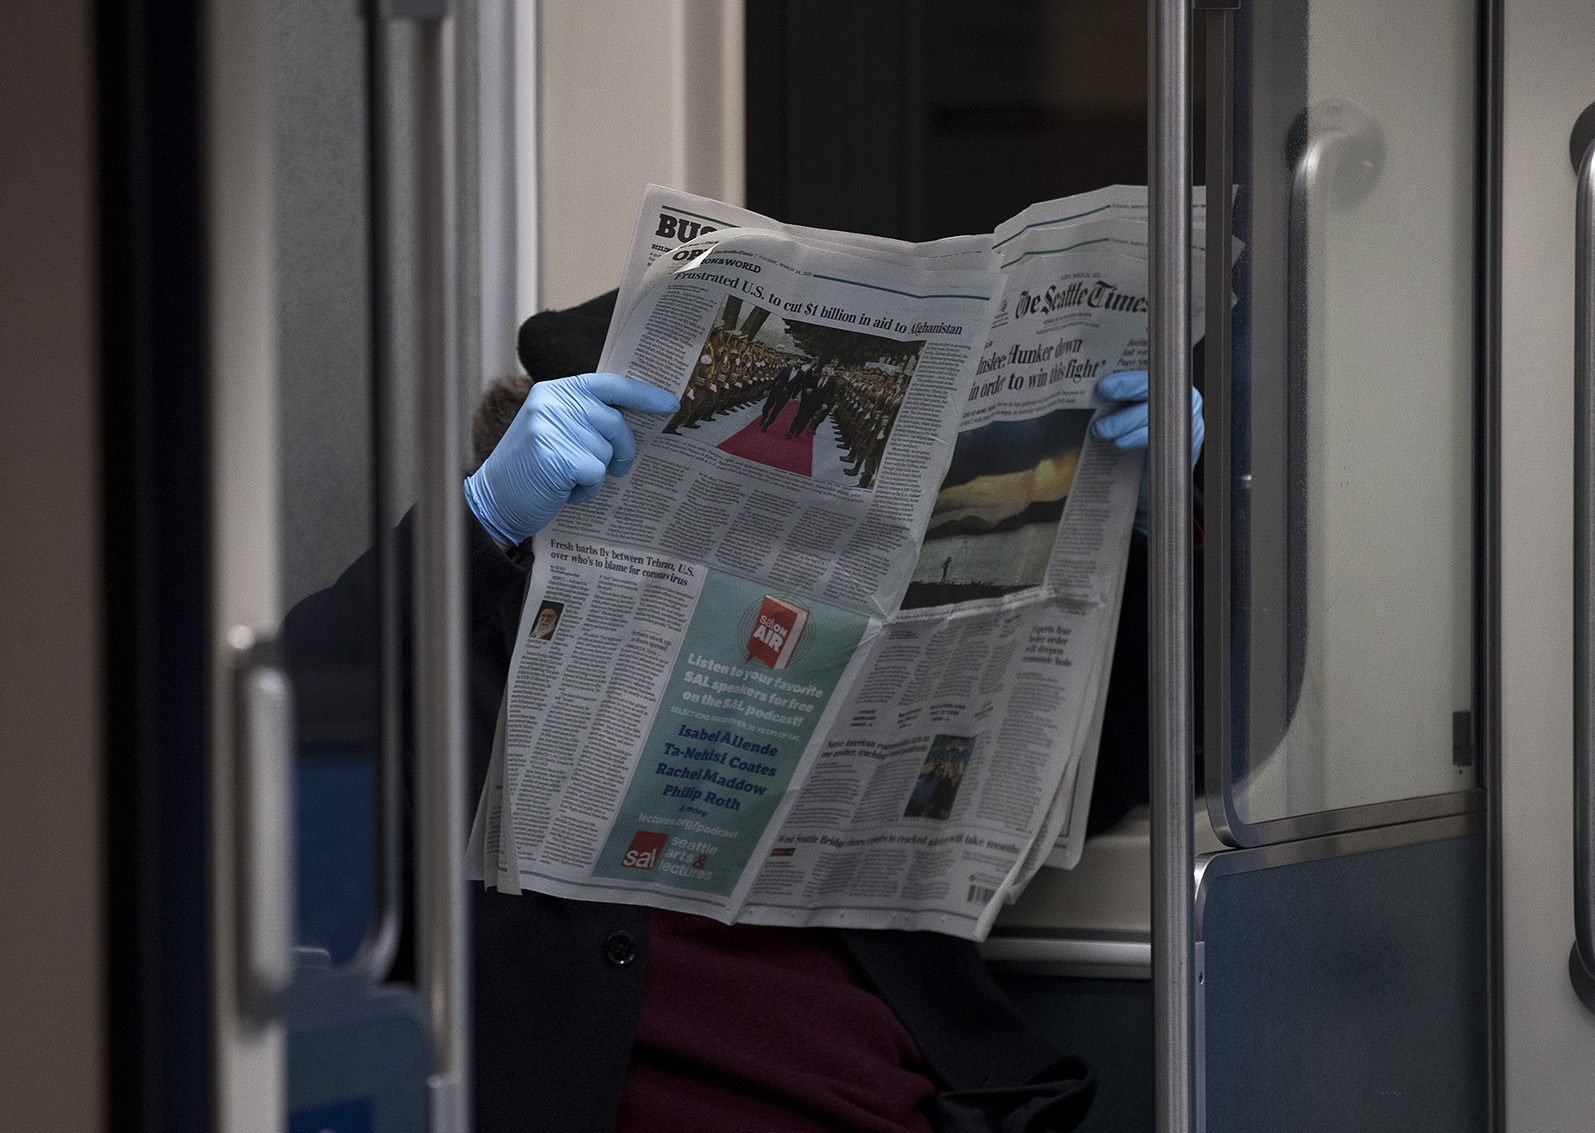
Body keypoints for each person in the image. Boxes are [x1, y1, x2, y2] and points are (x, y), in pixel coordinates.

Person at [282, 288, 1202, 1132]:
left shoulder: (839, 689)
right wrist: (476, 523)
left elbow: (1102, 754)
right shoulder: (466, 718)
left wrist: (1152, 528)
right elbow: (287, 728)